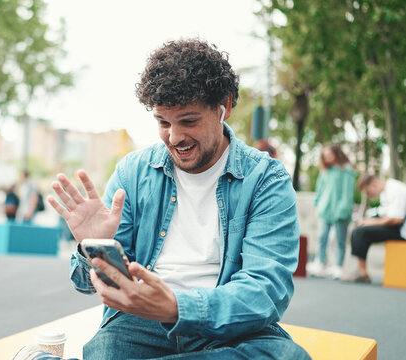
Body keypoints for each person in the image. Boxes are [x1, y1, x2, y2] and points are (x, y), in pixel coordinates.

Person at [47, 38, 309, 359]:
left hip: (227, 323)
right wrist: (94, 249)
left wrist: (176, 306)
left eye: (188, 120)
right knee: (107, 349)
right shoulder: (133, 171)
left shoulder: (266, 178)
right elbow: (85, 284)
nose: (174, 137)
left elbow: (266, 291)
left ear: (224, 106)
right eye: (162, 122)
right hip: (142, 322)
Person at [342, 174, 406, 283]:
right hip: (396, 227)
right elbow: (384, 212)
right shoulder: (385, 193)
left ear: (373, 184)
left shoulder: (396, 189)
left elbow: (396, 219)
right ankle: (361, 271)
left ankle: (362, 273)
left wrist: (370, 222)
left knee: (362, 232)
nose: (369, 195)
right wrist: (366, 219)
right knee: (359, 230)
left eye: (368, 191)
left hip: (402, 230)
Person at [309, 144, 355, 279]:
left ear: (337, 154)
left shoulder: (346, 170)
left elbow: (348, 191)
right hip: (325, 209)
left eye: (330, 155)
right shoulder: (325, 171)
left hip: (341, 210)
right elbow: (320, 189)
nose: (327, 158)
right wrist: (316, 205)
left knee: (341, 240)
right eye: (325, 156)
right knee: (321, 237)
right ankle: (321, 263)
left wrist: (344, 208)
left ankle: (338, 266)